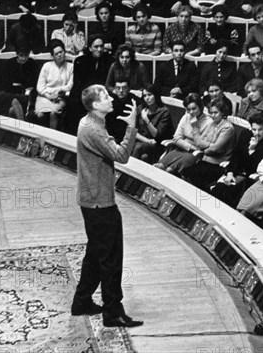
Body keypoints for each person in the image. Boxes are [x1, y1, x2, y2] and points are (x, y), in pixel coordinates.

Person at [71, 84, 144, 328]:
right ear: (94, 105)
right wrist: (132, 125)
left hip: (93, 200)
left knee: (95, 254)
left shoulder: (91, 122)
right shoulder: (93, 129)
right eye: (105, 96)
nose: (111, 98)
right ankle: (113, 312)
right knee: (110, 259)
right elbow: (122, 155)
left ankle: (81, 301)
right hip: (99, 203)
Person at [210, 113, 263, 208]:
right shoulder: (245, 134)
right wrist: (230, 173)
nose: (256, 133)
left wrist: (252, 149)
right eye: (254, 129)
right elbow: (236, 155)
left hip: (251, 177)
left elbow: (255, 166)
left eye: (260, 129)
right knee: (218, 190)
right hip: (237, 171)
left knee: (230, 196)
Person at [153, 93, 212, 176]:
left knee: (170, 170)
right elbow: (176, 138)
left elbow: (201, 145)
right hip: (182, 148)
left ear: (200, 107)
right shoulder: (186, 117)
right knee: (159, 166)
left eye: (194, 109)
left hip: (195, 154)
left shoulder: (209, 123)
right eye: (188, 109)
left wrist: (195, 127)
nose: (191, 112)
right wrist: (191, 147)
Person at [65, 35, 114, 135]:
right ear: (90, 48)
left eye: (101, 46)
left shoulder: (109, 61)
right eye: (96, 46)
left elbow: (106, 82)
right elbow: (79, 83)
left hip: (100, 94)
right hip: (84, 93)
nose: (99, 49)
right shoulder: (80, 61)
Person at [182, 99, 236, 188]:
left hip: (217, 164)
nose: (212, 115)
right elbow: (198, 142)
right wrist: (210, 145)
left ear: (222, 112)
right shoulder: (212, 124)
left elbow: (215, 149)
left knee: (193, 179)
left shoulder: (227, 128)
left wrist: (207, 148)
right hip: (205, 160)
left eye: (215, 112)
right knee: (185, 173)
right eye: (211, 113)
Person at [35, 39, 73, 131]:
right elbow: (40, 87)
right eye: (56, 54)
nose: (60, 55)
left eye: (61, 52)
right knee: (40, 115)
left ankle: (52, 141)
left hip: (60, 97)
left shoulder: (70, 66)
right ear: (53, 56)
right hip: (44, 96)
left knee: (53, 113)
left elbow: (70, 85)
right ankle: (41, 139)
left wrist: (58, 92)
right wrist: (49, 95)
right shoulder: (47, 66)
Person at [0, 44, 39, 120]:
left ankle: (19, 121)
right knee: (0, 96)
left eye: (26, 55)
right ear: (17, 54)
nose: (24, 58)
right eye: (21, 55)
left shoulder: (32, 63)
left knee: (14, 104)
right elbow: (6, 83)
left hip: (25, 94)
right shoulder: (10, 63)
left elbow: (33, 83)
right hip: (10, 93)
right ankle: (21, 122)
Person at [132, 84, 172, 163]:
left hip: (157, 144)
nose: (147, 98)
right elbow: (134, 131)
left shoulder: (164, 111)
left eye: (149, 95)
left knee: (138, 148)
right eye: (144, 96)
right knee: (144, 156)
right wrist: (146, 140)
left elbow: (156, 135)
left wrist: (146, 119)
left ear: (156, 95)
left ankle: (126, 172)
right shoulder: (141, 108)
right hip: (142, 140)